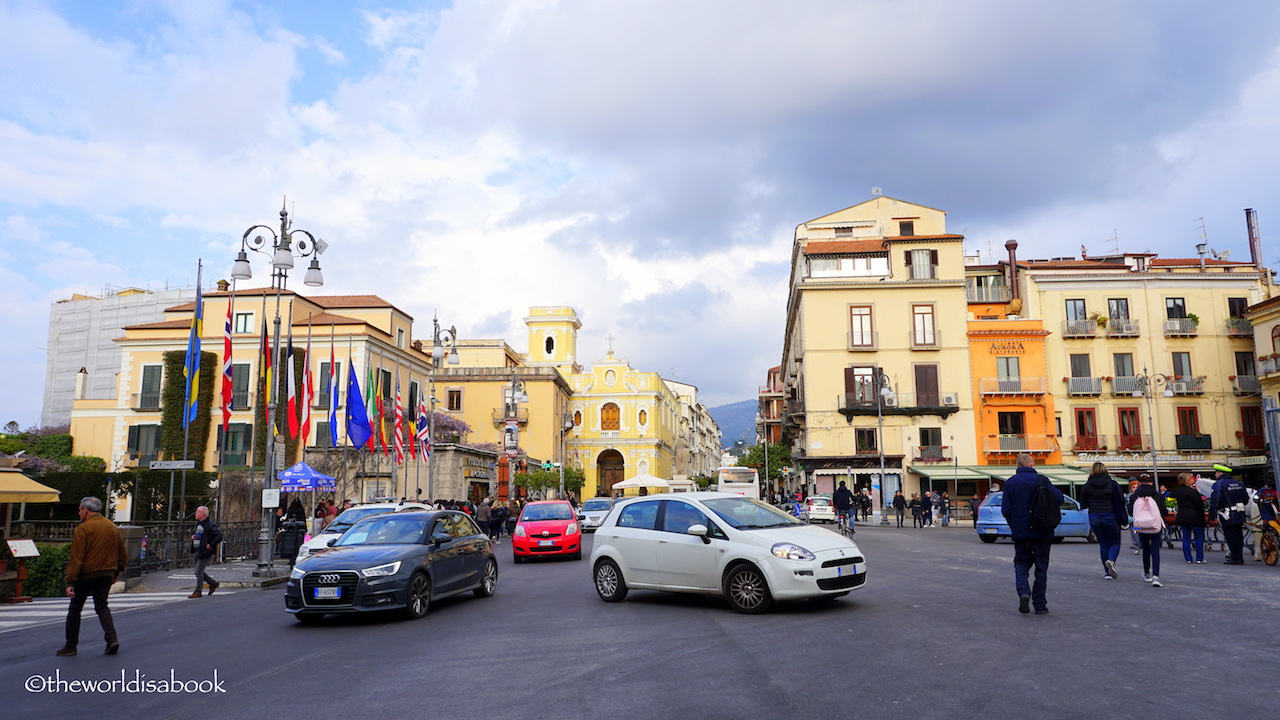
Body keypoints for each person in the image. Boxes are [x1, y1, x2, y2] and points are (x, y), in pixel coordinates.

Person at [59, 497, 127, 656]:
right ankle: (112, 638)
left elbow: (77, 557)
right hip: (106, 573)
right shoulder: (112, 527)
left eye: (80, 510)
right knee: (102, 606)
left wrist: (70, 581)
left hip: (86, 574)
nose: (79, 513)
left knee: (75, 609)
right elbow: (121, 552)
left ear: (86, 511)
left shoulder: (83, 529)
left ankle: (71, 645)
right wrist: (116, 572)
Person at [1000, 453, 1063, 615]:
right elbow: (1059, 498)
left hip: (1021, 532)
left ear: (1018, 466)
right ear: (1031, 464)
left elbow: (1005, 509)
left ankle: (1023, 592)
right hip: (1043, 530)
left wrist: (1014, 525)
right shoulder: (1042, 480)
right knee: (1041, 568)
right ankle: (1040, 605)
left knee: (1021, 564)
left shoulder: (1011, 483)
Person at [1079, 462, 1127, 580]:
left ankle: (1107, 573)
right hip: (1110, 516)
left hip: (1095, 516)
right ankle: (1111, 560)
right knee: (1115, 542)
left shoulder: (1088, 485)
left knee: (1103, 543)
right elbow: (1121, 500)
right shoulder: (1113, 484)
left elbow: (1083, 503)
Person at [1128, 475, 1165, 587]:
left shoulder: (1134, 496)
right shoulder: (1157, 495)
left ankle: (1146, 573)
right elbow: (1164, 511)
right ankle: (1155, 576)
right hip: (1155, 526)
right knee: (1155, 550)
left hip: (1140, 526)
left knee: (1145, 548)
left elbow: (1130, 512)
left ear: (1139, 483)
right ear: (1151, 483)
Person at [1209, 464, 1250, 564]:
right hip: (1239, 513)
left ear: (1220, 473)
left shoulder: (1219, 484)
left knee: (1230, 536)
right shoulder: (1239, 484)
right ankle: (1239, 556)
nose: (1215, 474)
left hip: (1227, 514)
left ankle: (1236, 558)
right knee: (1239, 535)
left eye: (1216, 472)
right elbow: (1246, 499)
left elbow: (1215, 501)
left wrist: (1212, 515)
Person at [1170, 472, 1206, 564]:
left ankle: (1188, 558)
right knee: (1198, 538)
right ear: (1186, 481)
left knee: (1186, 538)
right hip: (1195, 517)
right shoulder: (1193, 492)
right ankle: (1199, 558)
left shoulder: (1177, 491)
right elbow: (1199, 505)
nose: (1192, 480)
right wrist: (1203, 518)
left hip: (1183, 516)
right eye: (1190, 479)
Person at [188, 505, 223, 598]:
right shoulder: (201, 524)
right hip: (198, 550)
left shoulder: (210, 524)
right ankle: (212, 583)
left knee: (198, 571)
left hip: (205, 551)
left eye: (197, 513)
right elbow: (202, 535)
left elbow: (219, 535)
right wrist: (195, 537)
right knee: (197, 570)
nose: (195, 514)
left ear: (202, 514)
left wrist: (210, 545)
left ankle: (198, 590)